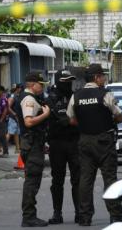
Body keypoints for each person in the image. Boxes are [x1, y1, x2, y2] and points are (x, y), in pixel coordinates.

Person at [67, 64, 122, 226]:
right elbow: (119, 117)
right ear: (96, 77)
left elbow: (71, 119)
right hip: (104, 140)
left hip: (85, 140)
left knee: (85, 179)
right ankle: (115, 215)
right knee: (110, 178)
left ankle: (85, 217)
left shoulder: (76, 96)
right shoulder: (105, 95)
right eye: (103, 76)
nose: (104, 79)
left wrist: (85, 125)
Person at [45, 70, 80, 225]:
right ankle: (57, 213)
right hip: (57, 143)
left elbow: (77, 118)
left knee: (77, 180)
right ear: (59, 81)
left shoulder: (75, 96)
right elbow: (62, 119)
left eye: (70, 80)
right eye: (65, 80)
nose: (68, 83)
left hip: (74, 142)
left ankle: (80, 212)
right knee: (57, 180)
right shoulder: (51, 98)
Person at [19, 72, 51, 227]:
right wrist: (45, 115)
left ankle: (30, 215)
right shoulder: (29, 99)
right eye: (40, 84)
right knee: (32, 180)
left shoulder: (30, 98)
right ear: (32, 84)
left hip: (33, 143)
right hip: (31, 145)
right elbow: (29, 122)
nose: (42, 86)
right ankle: (29, 216)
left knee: (33, 179)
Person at [7, 84, 23, 154]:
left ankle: (17, 149)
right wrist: (14, 114)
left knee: (16, 133)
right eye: (20, 88)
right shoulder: (13, 96)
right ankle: (2, 148)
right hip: (13, 117)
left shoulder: (17, 96)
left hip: (17, 117)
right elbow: (8, 107)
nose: (21, 89)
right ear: (17, 89)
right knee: (10, 133)